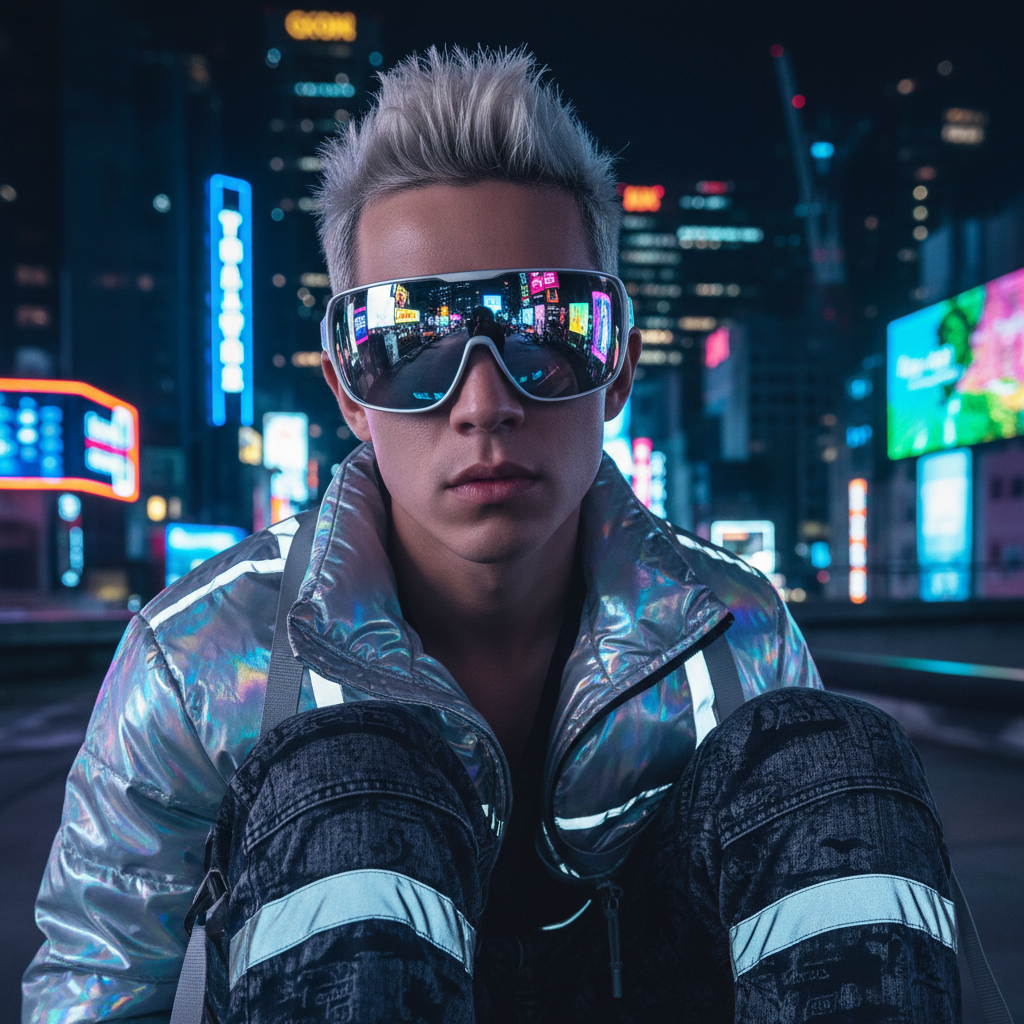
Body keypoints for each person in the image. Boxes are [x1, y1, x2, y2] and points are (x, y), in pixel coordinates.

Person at [24, 48, 961, 1023]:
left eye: (544, 334)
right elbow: (95, 983)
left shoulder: (737, 630)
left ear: (619, 371)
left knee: (825, 763)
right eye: (409, 346)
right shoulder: (195, 657)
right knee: (348, 788)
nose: (482, 403)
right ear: (346, 389)